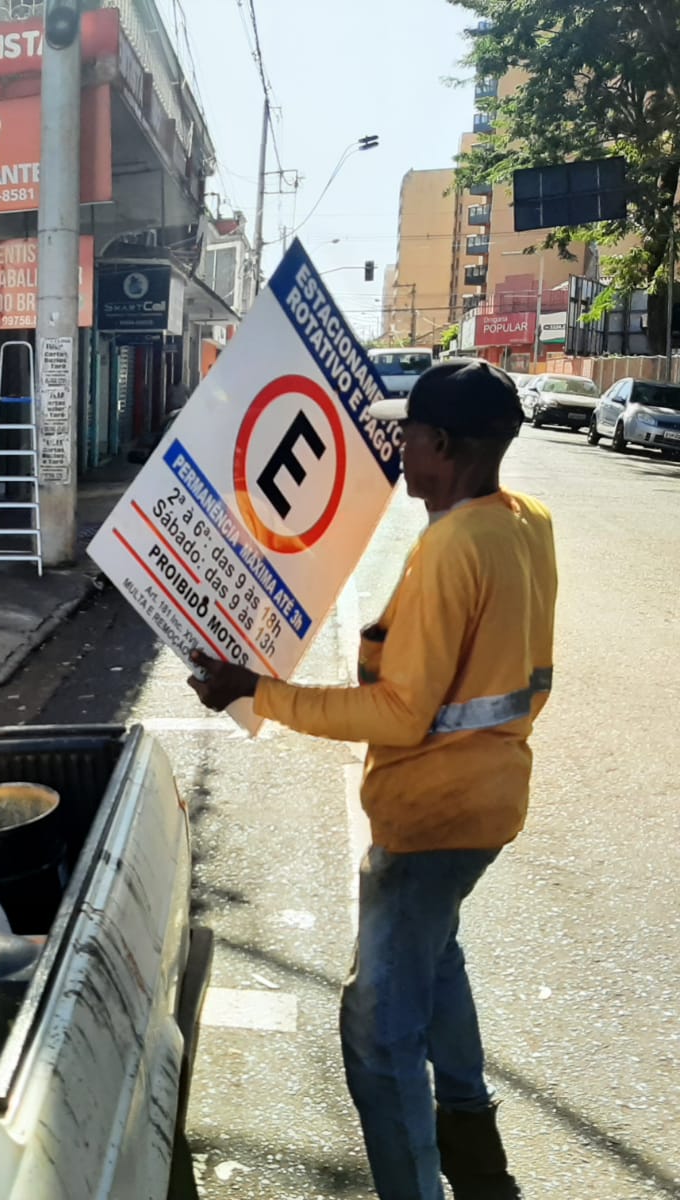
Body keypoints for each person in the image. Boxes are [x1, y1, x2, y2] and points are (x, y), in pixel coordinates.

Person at [188, 360, 555, 1200]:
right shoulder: (525, 521)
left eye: (406, 434)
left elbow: (398, 715)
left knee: (377, 1032)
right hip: (493, 798)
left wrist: (257, 691)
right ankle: (467, 1115)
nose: (396, 447)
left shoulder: (452, 546)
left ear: (440, 446)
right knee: (439, 951)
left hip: (432, 816)